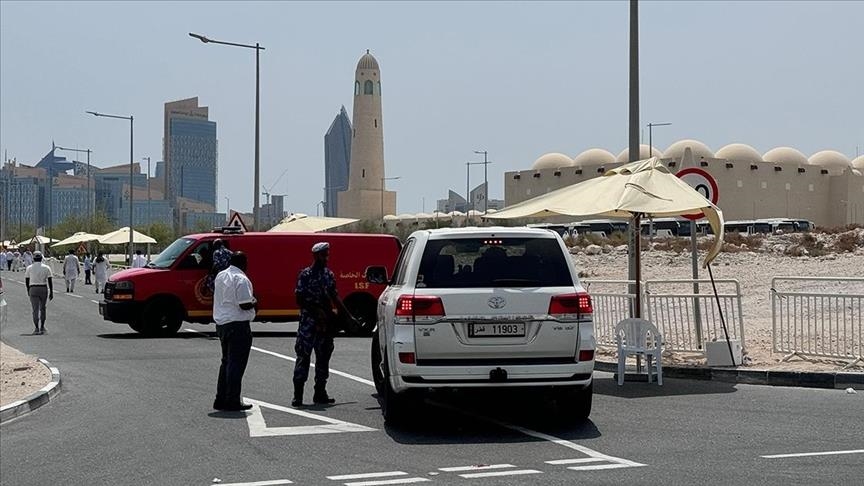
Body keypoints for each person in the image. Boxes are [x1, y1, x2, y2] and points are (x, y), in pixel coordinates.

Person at [292, 242, 360, 407]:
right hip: (308, 324)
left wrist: (349, 317)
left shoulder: (328, 275)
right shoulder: (305, 275)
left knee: (323, 358)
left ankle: (320, 393)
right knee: (303, 357)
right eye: (323, 255)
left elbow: (335, 297)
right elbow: (299, 299)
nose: (326, 258)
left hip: (325, 325)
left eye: (327, 255)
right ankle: (298, 395)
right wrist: (315, 310)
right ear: (315, 255)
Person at [212, 252, 256, 412]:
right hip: (238, 324)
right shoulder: (241, 279)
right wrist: (255, 301)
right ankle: (232, 399)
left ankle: (220, 398)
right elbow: (244, 304)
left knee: (226, 363)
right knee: (236, 365)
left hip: (222, 323)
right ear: (244, 263)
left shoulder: (221, 276)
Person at [24, 251, 54, 335]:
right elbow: (50, 280)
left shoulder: (29, 268)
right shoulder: (46, 267)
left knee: (35, 309)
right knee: (43, 308)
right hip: (43, 288)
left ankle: (36, 328)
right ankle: (42, 327)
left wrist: (28, 290)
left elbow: (27, 280)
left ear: (33, 259)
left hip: (33, 288)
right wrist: (51, 292)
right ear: (41, 259)